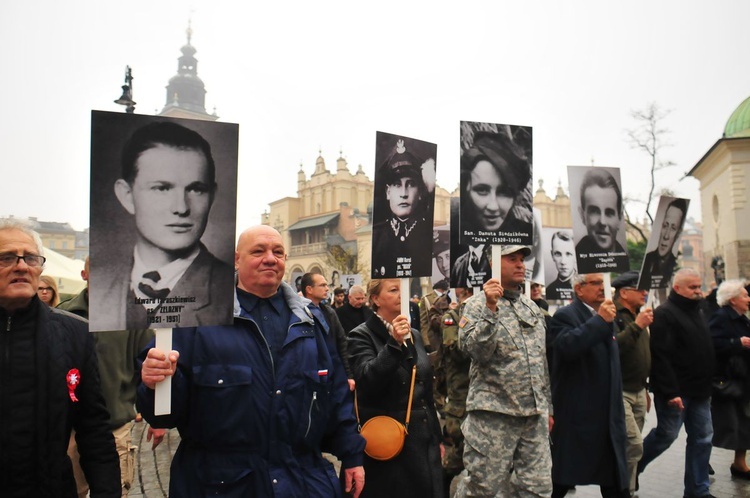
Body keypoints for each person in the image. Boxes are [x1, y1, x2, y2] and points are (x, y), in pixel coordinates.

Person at [137, 225, 365, 497]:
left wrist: (351, 454)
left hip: (300, 479)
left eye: (278, 252)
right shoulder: (197, 318)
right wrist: (155, 383)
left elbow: (336, 392)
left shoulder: (311, 322)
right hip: (222, 483)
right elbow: (162, 412)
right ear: (236, 259)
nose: (270, 258)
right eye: (258, 251)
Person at [0, 218, 120, 496]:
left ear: (40, 268)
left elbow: (93, 428)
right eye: (7, 258)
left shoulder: (74, 333)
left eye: (30, 258)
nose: (21, 265)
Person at [91, 120, 234, 332]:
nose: (181, 207)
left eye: (196, 189)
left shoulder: (229, 293)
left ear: (212, 196)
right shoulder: (99, 290)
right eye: (162, 189)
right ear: (127, 195)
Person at [59, 257, 165, 497]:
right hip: (68, 429)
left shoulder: (133, 315)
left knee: (114, 491)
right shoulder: (63, 313)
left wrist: (158, 417)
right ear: (84, 275)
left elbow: (150, 362)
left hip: (115, 426)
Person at [456, 245, 553, 497]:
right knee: (481, 489)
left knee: (538, 489)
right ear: (493, 263)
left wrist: (548, 409)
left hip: (533, 416)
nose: (521, 264)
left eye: (522, 259)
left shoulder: (531, 307)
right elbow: (475, 351)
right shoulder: (476, 305)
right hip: (494, 416)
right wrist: (491, 308)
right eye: (512, 259)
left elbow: (541, 363)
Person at [348, 279, 444, 497]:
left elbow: (425, 389)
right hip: (391, 443)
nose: (402, 295)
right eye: (393, 290)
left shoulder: (415, 334)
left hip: (423, 440)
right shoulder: (361, 335)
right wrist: (394, 344)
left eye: (404, 290)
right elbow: (368, 380)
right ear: (375, 299)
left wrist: (436, 438)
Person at [550, 273, 629, 498]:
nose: (603, 288)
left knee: (615, 479)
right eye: (595, 283)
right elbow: (567, 347)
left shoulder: (607, 315)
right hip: (578, 416)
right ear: (579, 289)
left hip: (608, 416)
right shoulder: (565, 315)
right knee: (560, 479)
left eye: (604, 283)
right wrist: (599, 321)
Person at [638, 268, 715, 498]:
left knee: (703, 439)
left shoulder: (700, 310)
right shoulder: (665, 314)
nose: (698, 291)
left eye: (699, 287)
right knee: (666, 436)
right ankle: (632, 467)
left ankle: (697, 490)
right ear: (677, 288)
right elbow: (661, 356)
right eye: (692, 287)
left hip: (700, 390)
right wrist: (671, 391)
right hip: (676, 392)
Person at [612, 270, 653, 496]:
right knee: (634, 444)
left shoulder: (639, 315)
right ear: (625, 293)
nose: (645, 292)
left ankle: (628, 487)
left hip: (638, 390)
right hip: (621, 391)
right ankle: (621, 489)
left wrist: (646, 389)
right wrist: (637, 326)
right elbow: (614, 348)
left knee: (631, 447)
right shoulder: (614, 316)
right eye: (640, 289)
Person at [372, 138, 432, 278]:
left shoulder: (429, 234)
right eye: (397, 185)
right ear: (388, 192)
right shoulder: (376, 236)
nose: (404, 194)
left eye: (411, 184)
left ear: (421, 193)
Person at [709, 280, 750, 480]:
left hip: (743, 379)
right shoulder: (721, 317)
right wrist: (737, 343)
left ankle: (740, 464)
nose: (748, 298)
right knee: (722, 425)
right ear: (733, 300)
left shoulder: (742, 318)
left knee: (744, 422)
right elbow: (711, 344)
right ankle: (701, 458)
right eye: (744, 295)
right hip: (727, 381)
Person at [459, 132, 532, 237]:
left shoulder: (530, 236)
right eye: (482, 191)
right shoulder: (450, 234)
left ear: (516, 198)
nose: (493, 207)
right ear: (466, 186)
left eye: (504, 193)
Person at [439, 287, 472, 492]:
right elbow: (456, 350)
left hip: (488, 397)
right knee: (457, 455)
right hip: (462, 395)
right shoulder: (452, 317)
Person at [301, 271, 355, 391]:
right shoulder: (297, 314)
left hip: (332, 373)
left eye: (326, 285)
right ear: (309, 289)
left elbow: (342, 343)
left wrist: (348, 374)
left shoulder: (330, 313)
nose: (327, 288)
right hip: (309, 376)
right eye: (322, 285)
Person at [575, 169, 627, 262]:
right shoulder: (574, 260)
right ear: (582, 215)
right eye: (594, 212)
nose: (602, 222)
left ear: (619, 218)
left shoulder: (625, 262)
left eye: (609, 213)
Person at [638, 198, 688, 290]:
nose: (666, 236)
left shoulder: (674, 265)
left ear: (678, 233)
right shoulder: (648, 263)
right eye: (665, 226)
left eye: (673, 228)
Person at [546, 230, 577, 300]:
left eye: (568, 254)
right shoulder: (550, 290)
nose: (563, 262)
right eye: (558, 254)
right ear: (552, 255)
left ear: (575, 256)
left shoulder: (585, 287)